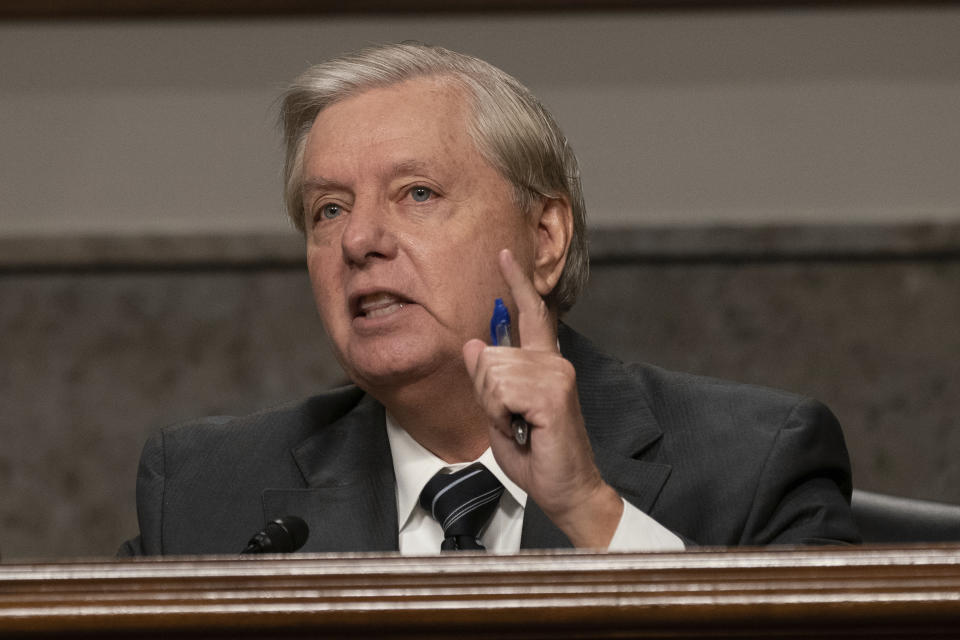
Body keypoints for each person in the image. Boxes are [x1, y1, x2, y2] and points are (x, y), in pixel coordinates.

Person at [119, 43, 859, 556]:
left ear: (544, 237)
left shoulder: (756, 462)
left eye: (417, 193)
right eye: (329, 210)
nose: (360, 241)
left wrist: (592, 513)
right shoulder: (202, 493)